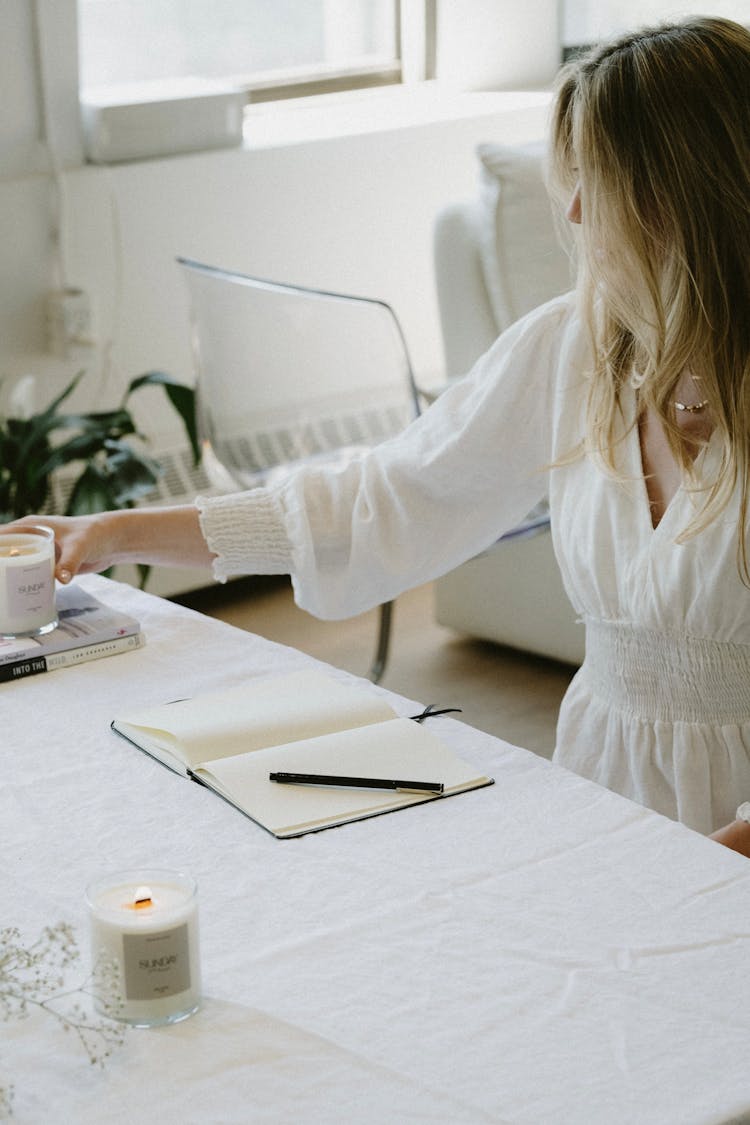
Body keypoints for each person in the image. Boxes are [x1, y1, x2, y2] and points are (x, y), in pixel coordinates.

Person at [7, 17, 750, 854]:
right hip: (607, 784)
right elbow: (391, 492)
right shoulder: (573, 345)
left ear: (680, 193)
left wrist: (712, 865)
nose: (573, 210)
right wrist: (114, 532)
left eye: (599, 181)